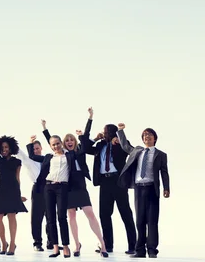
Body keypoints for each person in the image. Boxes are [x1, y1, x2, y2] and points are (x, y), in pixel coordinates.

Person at [40, 108, 108, 258]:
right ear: (65, 144)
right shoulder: (65, 154)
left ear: (75, 142)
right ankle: (76, 245)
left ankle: (102, 244)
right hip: (68, 187)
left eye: (72, 140)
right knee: (71, 216)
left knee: (90, 213)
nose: (69, 142)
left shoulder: (81, 150)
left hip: (80, 185)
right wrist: (45, 129)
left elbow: (87, 136)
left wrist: (90, 117)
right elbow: (52, 142)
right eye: (67, 141)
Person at [82, 111, 137, 255]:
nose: (104, 133)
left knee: (125, 213)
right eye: (104, 131)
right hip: (104, 182)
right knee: (105, 214)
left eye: (107, 131)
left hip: (118, 181)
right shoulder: (100, 145)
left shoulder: (119, 144)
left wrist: (120, 135)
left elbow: (129, 150)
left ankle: (133, 245)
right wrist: (95, 138)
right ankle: (108, 245)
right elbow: (85, 147)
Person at [117, 123, 170, 258]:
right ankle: (139, 250)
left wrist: (166, 188)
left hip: (152, 189)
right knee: (140, 220)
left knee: (152, 221)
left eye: (149, 134)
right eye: (145, 135)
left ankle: (152, 250)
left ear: (155, 138)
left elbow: (164, 172)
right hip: (139, 189)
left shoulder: (161, 154)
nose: (147, 136)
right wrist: (120, 131)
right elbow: (125, 146)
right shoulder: (137, 151)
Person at [0, 124, 27, 256]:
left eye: (6, 147)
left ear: (11, 148)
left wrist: (19, 195)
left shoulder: (17, 162)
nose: (4, 149)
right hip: (0, 189)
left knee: (12, 216)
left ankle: (12, 244)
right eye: (2, 148)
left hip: (13, 190)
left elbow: (18, 179)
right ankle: (4, 243)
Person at [36, 135, 74, 258]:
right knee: (50, 219)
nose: (56, 146)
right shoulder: (49, 157)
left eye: (57, 143)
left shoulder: (69, 155)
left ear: (61, 143)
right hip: (49, 187)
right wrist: (32, 144)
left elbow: (82, 148)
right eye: (53, 144)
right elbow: (33, 156)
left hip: (62, 187)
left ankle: (66, 246)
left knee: (62, 217)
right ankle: (55, 247)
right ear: (50, 146)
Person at [25, 136, 52, 251]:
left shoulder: (47, 158)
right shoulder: (30, 160)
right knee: (37, 217)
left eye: (37, 148)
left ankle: (52, 242)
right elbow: (30, 155)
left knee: (50, 216)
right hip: (37, 189)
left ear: (41, 148)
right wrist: (30, 144)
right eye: (34, 149)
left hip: (49, 187)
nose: (36, 150)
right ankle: (37, 243)